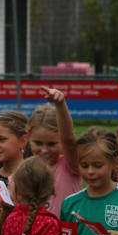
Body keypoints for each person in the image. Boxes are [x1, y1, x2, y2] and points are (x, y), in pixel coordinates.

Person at [27, 87, 82, 217]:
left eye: (51, 144)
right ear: (28, 137)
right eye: (38, 143)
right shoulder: (23, 172)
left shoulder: (71, 166)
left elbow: (69, 140)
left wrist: (60, 104)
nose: (44, 150)